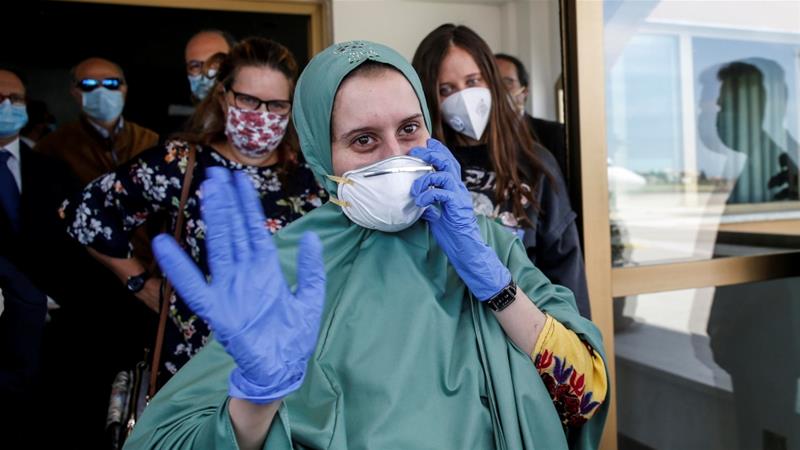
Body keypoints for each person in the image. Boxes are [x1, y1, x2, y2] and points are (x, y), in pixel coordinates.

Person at [125, 40, 608, 450]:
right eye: (363, 140)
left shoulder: (486, 245)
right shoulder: (289, 262)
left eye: (409, 129)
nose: (395, 156)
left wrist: (496, 286)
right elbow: (167, 440)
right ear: (321, 154)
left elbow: (583, 395)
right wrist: (257, 398)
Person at [60, 37, 326, 386]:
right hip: (196, 358)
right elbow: (85, 212)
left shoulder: (309, 176)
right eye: (248, 100)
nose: (261, 115)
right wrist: (139, 283)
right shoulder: (182, 163)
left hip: (287, 358)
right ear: (224, 96)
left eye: (276, 105)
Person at [413, 25, 591, 319]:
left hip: (526, 329)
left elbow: (564, 267)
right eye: (446, 89)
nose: (464, 98)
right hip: (446, 329)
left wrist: (578, 340)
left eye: (473, 81)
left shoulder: (535, 164)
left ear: (491, 81)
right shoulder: (422, 167)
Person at [35, 57, 159, 185]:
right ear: (74, 92)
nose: (101, 91)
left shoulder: (149, 140)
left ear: (125, 88)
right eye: (88, 84)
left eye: (112, 83)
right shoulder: (52, 146)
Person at [495, 52, 568, 177]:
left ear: (524, 91)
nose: (498, 89)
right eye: (491, 82)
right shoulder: (473, 140)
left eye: (507, 82)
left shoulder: (554, 134)